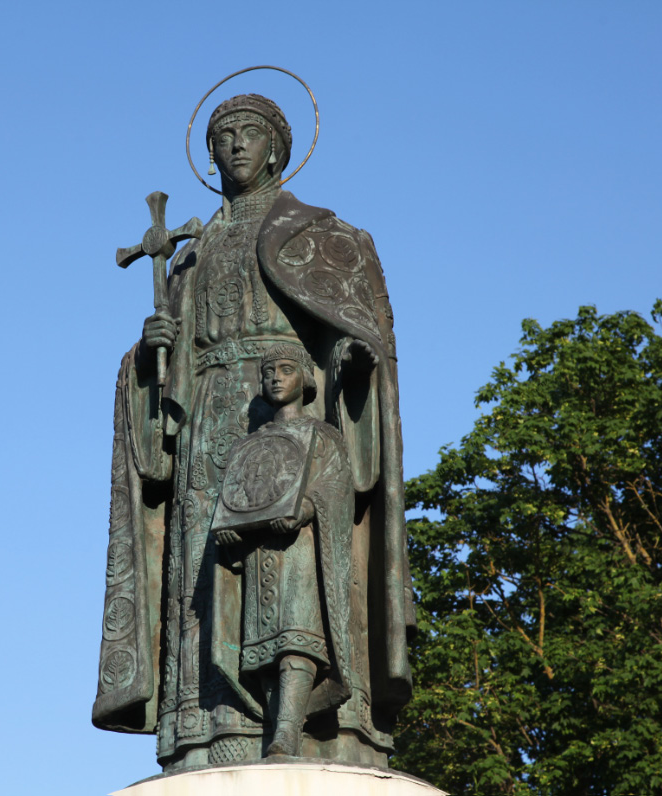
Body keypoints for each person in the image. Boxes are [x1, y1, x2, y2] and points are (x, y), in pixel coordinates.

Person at [93, 93, 414, 771]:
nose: (236, 145)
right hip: (210, 419)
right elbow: (164, 373)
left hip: (288, 421)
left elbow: (356, 341)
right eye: (223, 136)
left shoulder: (324, 239)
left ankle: (308, 720)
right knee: (205, 573)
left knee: (288, 566)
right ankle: (214, 727)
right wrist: (152, 357)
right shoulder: (190, 253)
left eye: (250, 133)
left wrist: (349, 365)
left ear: (278, 147)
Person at [211, 341, 356, 757]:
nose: (276, 377)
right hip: (261, 555)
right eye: (269, 372)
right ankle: (278, 722)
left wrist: (308, 507)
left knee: (297, 638)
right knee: (264, 648)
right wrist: (230, 534)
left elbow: (336, 484)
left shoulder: (320, 434)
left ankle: (288, 730)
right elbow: (239, 497)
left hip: (301, 550)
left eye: (286, 369)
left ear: (306, 379)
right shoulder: (248, 445)